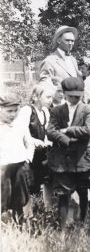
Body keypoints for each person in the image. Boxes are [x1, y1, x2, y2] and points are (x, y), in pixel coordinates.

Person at [46, 77, 90, 227]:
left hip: (82, 159)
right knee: (63, 193)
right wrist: (67, 140)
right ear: (64, 93)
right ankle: (62, 226)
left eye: (78, 96)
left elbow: (88, 132)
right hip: (63, 159)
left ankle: (83, 221)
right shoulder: (56, 110)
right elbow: (50, 131)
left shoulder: (88, 110)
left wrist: (67, 130)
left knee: (83, 190)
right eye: (71, 95)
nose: (74, 98)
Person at [18, 83, 55, 205]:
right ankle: (28, 212)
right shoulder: (27, 110)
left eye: (51, 97)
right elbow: (22, 132)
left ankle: (47, 209)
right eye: (48, 97)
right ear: (36, 97)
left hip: (42, 152)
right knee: (30, 184)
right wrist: (34, 141)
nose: (51, 100)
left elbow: (47, 131)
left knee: (46, 180)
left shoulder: (45, 111)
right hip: (29, 153)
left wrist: (47, 141)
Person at [0, 92, 34, 223]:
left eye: (15, 111)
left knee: (20, 198)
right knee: (3, 196)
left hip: (19, 165)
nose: (13, 114)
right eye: (9, 111)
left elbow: (29, 142)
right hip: (3, 167)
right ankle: (4, 227)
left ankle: (20, 223)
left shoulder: (20, 125)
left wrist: (28, 159)